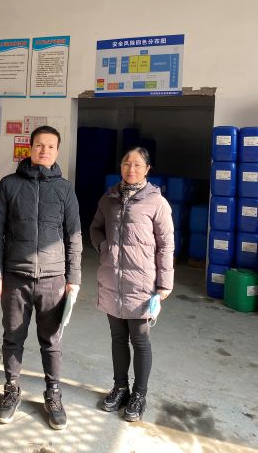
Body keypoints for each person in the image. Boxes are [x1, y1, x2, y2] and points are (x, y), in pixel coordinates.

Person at [0, 125, 82, 430]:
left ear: (57, 151)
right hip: (16, 275)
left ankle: (53, 393)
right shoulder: (9, 185)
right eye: (39, 145)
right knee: (13, 336)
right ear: (29, 148)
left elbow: (74, 236)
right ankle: (12, 389)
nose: (45, 151)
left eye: (51, 146)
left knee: (52, 340)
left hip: (53, 278)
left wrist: (74, 277)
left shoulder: (65, 189)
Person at [89, 147, 174, 422]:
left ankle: (139, 394)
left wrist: (164, 284)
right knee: (117, 338)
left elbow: (166, 245)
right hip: (112, 279)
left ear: (148, 169)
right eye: (126, 163)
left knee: (140, 340)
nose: (131, 169)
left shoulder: (157, 203)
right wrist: (103, 246)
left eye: (137, 164)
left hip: (141, 284)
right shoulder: (109, 198)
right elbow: (95, 227)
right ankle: (120, 387)